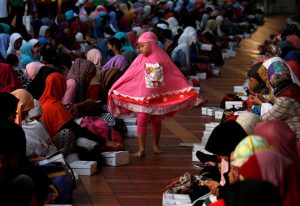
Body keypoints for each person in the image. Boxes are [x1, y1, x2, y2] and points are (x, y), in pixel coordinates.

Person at [108, 31, 202, 158]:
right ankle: (141, 149)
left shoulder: (160, 58)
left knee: (156, 120)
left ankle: (155, 145)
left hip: (155, 97)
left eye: (142, 46)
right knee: (141, 120)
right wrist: (117, 87)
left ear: (151, 45)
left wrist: (186, 88)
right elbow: (129, 75)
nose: (140, 49)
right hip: (142, 97)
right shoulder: (139, 59)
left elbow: (172, 75)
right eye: (139, 46)